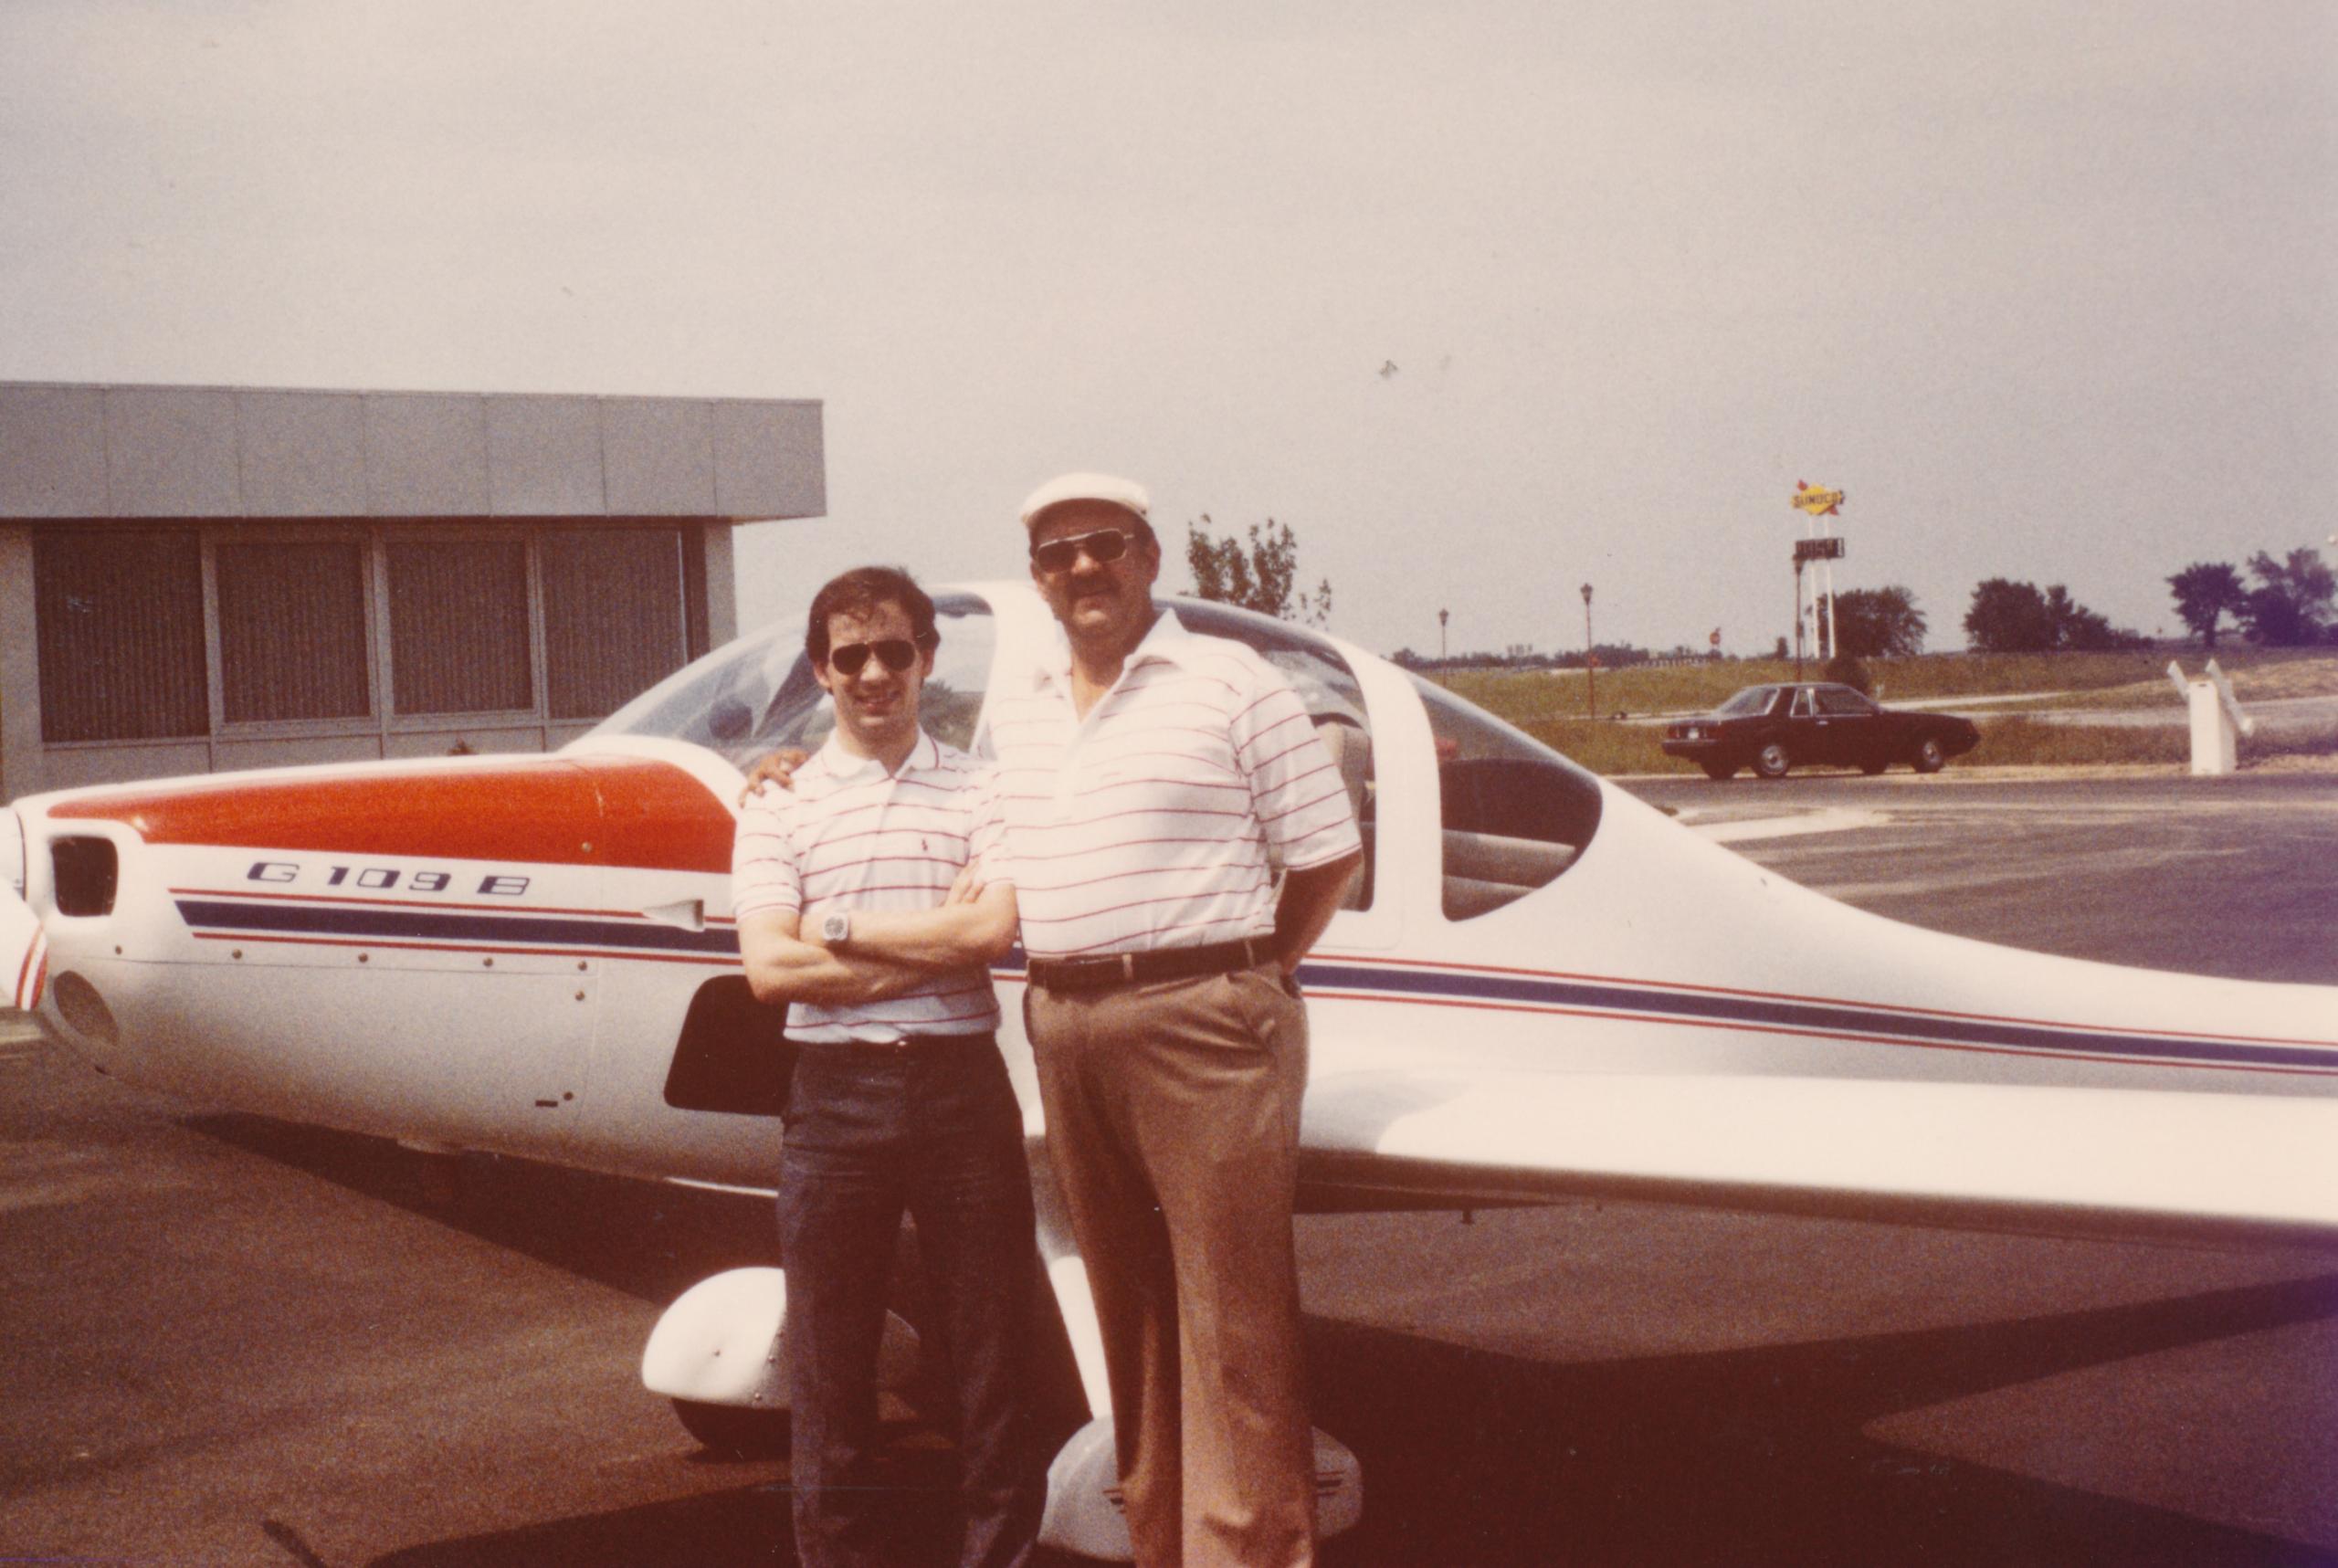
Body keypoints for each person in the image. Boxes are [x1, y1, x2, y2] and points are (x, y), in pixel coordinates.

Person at [996, 473, 1363, 1568]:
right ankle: (1168, 1548)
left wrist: (1248, 972)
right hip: (1064, 1020)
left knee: (1230, 1323)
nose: (1082, 567)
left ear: (1148, 556)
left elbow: (1326, 854)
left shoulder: (1227, 679)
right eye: (1057, 552)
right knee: (1135, 1319)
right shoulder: (1020, 701)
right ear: (1037, 578)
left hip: (1203, 1018)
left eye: (1105, 543)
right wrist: (787, 775)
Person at [732, 564, 1043, 1568]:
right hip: (834, 1101)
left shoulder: (983, 788)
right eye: (851, 655)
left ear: (927, 658)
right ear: (822, 669)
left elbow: (988, 932)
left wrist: (834, 926)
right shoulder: (776, 801)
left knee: (993, 1357)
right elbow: (771, 970)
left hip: (962, 1090)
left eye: (895, 651)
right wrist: (931, 943)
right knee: (830, 1370)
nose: (875, 673)